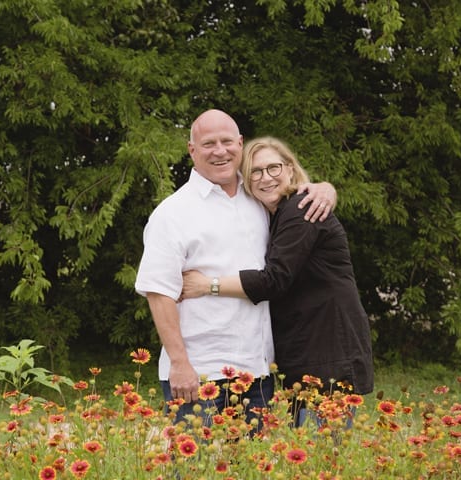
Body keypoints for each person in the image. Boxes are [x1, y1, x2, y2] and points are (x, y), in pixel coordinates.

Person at [134, 111, 337, 428]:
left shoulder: (257, 198)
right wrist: (179, 364)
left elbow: (295, 195)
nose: (219, 151)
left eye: (227, 141)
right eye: (208, 143)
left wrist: (324, 188)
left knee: (250, 469)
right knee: (193, 470)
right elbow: (159, 294)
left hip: (257, 375)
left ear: (240, 144)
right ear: (192, 150)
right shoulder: (172, 213)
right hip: (199, 375)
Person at [180, 136, 374, 428]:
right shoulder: (273, 216)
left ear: (290, 170)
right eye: (256, 172)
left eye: (274, 168)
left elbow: (274, 280)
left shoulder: (300, 211)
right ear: (245, 180)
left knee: (323, 462)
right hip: (309, 352)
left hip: (327, 353)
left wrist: (207, 285)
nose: (265, 177)